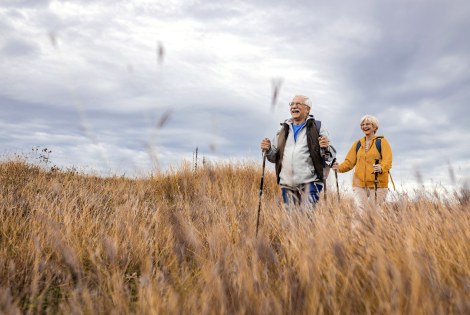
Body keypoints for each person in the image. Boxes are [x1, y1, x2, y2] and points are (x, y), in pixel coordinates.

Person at [260, 95, 335, 207]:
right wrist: (268, 149)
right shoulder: (282, 129)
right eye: (292, 104)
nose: (294, 106)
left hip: (310, 183)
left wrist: (326, 148)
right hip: (287, 184)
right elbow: (273, 157)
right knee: (291, 222)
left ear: (308, 109)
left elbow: (330, 156)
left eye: (298, 104)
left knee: (306, 219)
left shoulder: (317, 127)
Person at [332, 115, 392, 211]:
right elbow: (349, 162)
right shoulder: (358, 144)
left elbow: (388, 160)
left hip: (378, 183)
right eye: (362, 125)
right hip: (359, 184)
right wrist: (339, 167)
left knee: (375, 211)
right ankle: (357, 227)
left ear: (374, 127)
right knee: (360, 211)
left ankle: (377, 226)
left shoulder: (382, 142)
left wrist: (381, 167)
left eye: (368, 124)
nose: (364, 126)